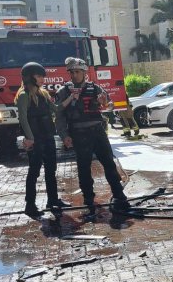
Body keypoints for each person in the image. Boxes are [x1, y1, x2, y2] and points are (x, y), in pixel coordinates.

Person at [55, 57, 130, 219]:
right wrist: (64, 135)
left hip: (97, 132)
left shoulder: (95, 88)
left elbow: (110, 105)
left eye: (77, 72)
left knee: (109, 163)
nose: (74, 75)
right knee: (83, 168)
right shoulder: (64, 92)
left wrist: (105, 104)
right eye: (72, 72)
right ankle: (89, 200)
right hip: (78, 134)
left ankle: (119, 195)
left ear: (84, 72)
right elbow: (59, 116)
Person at [15, 62, 72, 219]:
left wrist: (72, 97)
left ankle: (53, 200)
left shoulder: (44, 94)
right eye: (39, 76)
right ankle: (30, 205)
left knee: (51, 170)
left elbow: (57, 108)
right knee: (34, 172)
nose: (42, 79)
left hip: (48, 137)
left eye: (42, 76)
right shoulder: (23, 95)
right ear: (29, 77)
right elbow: (23, 118)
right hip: (36, 139)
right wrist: (30, 138)